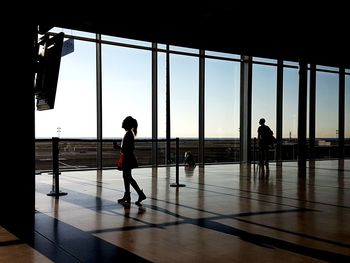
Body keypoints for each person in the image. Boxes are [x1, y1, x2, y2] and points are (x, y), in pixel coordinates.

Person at [117, 116, 146, 206]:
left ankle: (139, 194)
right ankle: (127, 195)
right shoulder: (129, 134)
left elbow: (127, 149)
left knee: (128, 177)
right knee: (126, 177)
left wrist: (118, 147)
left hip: (127, 159)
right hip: (128, 158)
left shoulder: (128, 134)